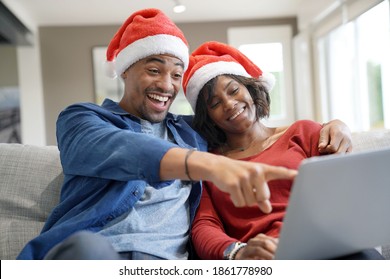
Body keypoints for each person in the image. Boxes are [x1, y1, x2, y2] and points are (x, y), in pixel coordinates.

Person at [17, 9, 351, 260]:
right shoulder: (82, 119)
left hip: (169, 266)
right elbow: (122, 148)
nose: (166, 85)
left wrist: (334, 125)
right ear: (125, 70)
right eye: (153, 69)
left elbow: (241, 127)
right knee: (90, 250)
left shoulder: (190, 131)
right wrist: (205, 165)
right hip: (95, 255)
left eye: (177, 74)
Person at [183, 41, 383, 260]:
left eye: (234, 90)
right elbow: (204, 225)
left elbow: (344, 193)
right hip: (270, 259)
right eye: (215, 103)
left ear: (251, 89)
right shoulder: (209, 163)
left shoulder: (303, 132)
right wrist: (237, 252)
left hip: (328, 247)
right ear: (207, 116)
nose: (229, 104)